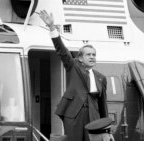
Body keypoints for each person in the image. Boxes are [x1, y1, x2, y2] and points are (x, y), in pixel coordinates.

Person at [39, 10, 108, 141]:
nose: (92, 57)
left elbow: (102, 103)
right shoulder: (74, 67)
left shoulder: (101, 77)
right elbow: (62, 50)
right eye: (88, 55)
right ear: (80, 59)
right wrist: (52, 27)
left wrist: (105, 126)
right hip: (74, 114)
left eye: (94, 55)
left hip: (94, 116)